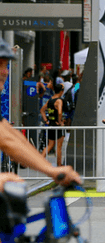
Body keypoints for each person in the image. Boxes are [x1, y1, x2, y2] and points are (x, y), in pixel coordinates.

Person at [0, 41, 82, 193]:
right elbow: (7, 140)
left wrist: (51, 171)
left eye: (5, 65)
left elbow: (11, 136)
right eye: (0, 65)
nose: (5, 72)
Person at [40, 84, 66, 166]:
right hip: (57, 126)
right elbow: (59, 112)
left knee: (50, 145)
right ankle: (59, 164)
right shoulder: (59, 101)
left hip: (50, 124)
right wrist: (60, 122)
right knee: (59, 147)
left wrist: (46, 120)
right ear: (61, 91)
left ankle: (39, 161)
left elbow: (42, 110)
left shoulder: (50, 100)